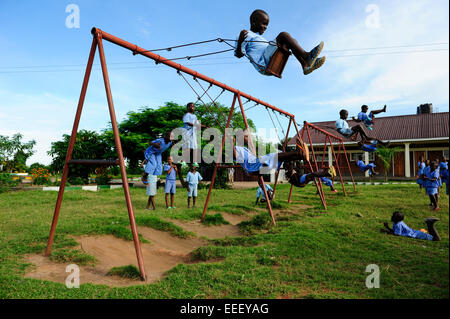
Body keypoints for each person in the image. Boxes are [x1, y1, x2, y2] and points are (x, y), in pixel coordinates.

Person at [235, 9, 325, 76]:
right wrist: (240, 42)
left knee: (291, 42)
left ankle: (305, 65)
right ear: (254, 22)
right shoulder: (245, 34)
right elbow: (239, 55)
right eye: (264, 23)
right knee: (284, 35)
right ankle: (306, 56)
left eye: (267, 25)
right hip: (263, 63)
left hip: (269, 59)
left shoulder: (259, 37)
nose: (266, 27)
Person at [143, 132, 173, 210]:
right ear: (165, 136)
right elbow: (150, 142)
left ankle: (152, 175)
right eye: (169, 136)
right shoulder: (160, 140)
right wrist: (156, 145)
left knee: (159, 166)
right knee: (153, 164)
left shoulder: (170, 142)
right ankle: (145, 176)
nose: (170, 138)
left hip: (157, 154)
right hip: (150, 152)